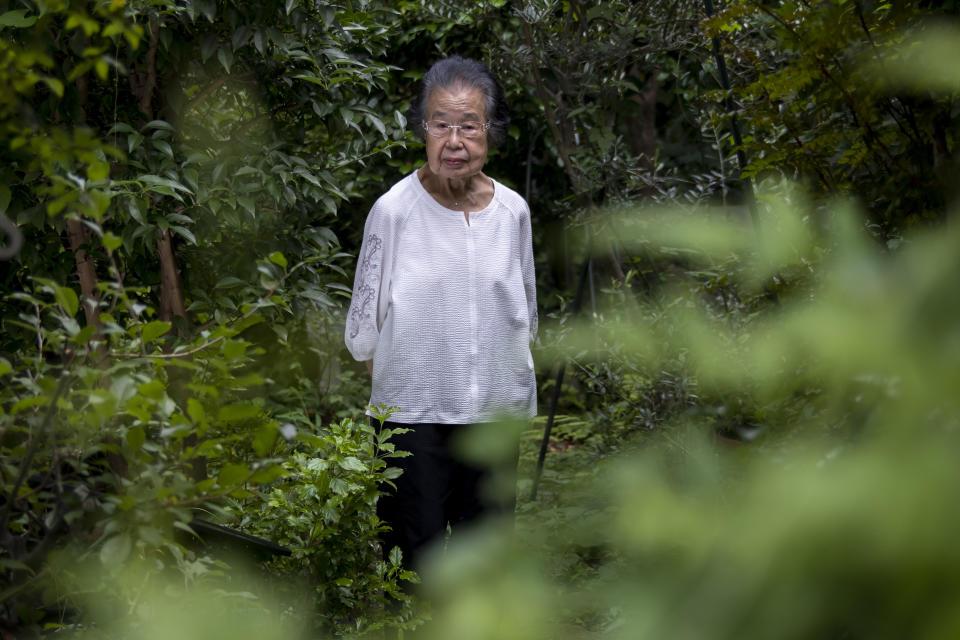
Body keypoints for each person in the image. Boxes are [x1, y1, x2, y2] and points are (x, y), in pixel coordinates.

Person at [344, 56, 537, 571]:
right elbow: (364, 328)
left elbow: (525, 309)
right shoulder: (393, 211)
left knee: (487, 555)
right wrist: (400, 395)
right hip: (412, 417)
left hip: (494, 412)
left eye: (469, 126)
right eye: (440, 125)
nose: (454, 141)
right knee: (415, 558)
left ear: (491, 132)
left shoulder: (513, 211)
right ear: (423, 130)